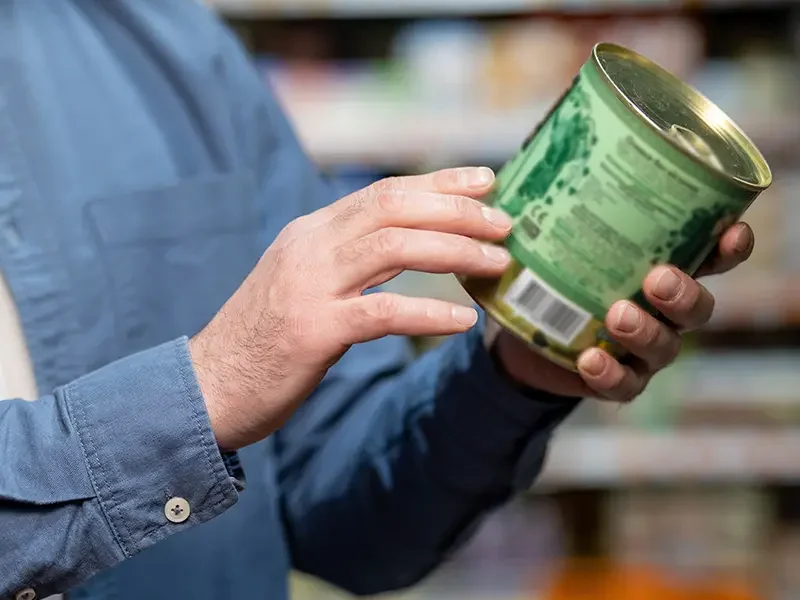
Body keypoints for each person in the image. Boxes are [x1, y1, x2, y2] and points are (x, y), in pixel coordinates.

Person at [0, 2, 754, 600]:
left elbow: (342, 515)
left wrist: (510, 374)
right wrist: (204, 390)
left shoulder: (168, 47)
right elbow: (213, 391)